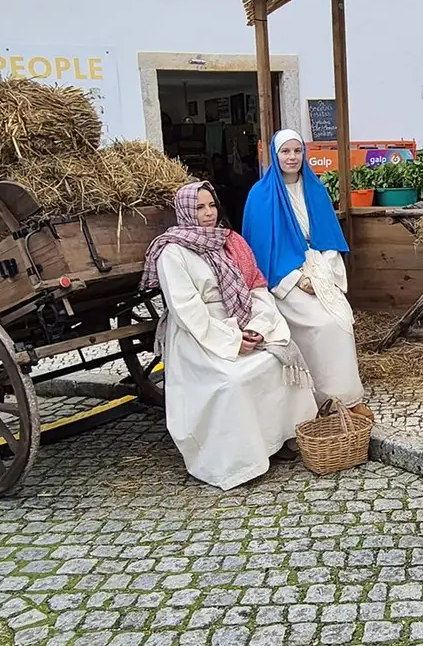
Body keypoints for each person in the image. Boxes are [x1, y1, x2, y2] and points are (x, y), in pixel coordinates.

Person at [140, 181, 318, 491]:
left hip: (242, 320)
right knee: (232, 381)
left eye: (211, 205)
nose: (208, 213)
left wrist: (258, 327)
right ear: (184, 211)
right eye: (199, 207)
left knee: (280, 360)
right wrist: (233, 340)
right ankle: (239, 461)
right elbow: (187, 311)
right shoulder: (172, 253)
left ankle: (282, 438)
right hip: (199, 335)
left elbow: (254, 287)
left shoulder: (229, 242)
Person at [242, 130, 372, 419]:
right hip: (284, 282)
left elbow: (329, 239)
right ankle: (322, 399)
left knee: (341, 322)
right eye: (285, 152)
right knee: (322, 325)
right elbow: (261, 252)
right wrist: (297, 279)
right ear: (275, 157)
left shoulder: (315, 190)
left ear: (304, 155)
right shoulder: (260, 196)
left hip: (320, 271)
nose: (292, 157)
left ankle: (347, 398)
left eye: (297, 151)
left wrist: (322, 274)